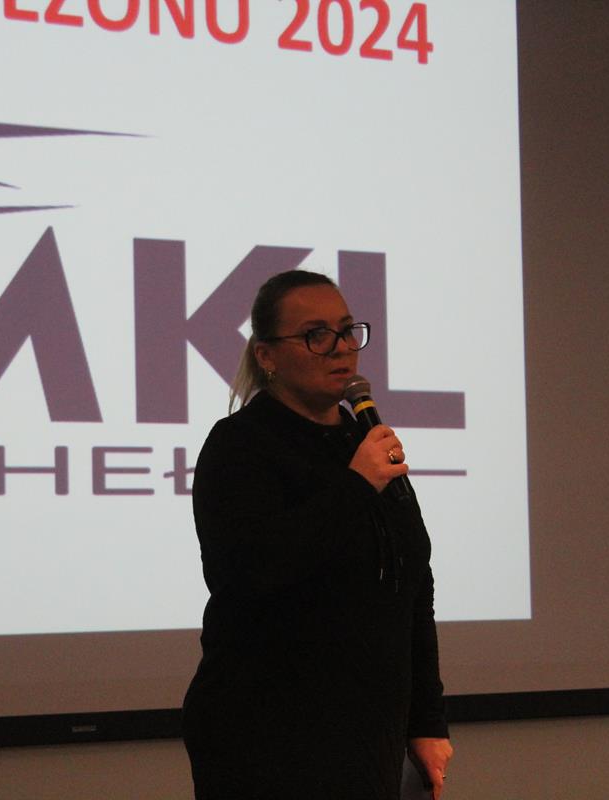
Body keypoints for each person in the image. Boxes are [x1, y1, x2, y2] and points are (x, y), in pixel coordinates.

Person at [183, 270, 454, 799]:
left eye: (347, 330)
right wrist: (356, 486)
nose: (341, 348)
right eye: (316, 335)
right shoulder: (240, 446)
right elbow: (247, 574)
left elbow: (413, 585)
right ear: (266, 355)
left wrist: (427, 719)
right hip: (268, 735)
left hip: (371, 733)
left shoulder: (363, 441)